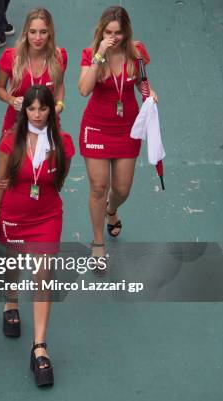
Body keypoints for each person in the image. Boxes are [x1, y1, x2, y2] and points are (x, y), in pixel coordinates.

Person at [0, 85, 75, 387]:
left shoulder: (63, 143)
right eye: (31, 109)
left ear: (52, 110)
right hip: (14, 214)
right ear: (24, 111)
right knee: (13, 266)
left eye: (42, 108)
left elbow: (59, 178)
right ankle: (11, 303)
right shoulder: (10, 142)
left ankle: (39, 346)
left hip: (47, 216)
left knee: (43, 275)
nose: (36, 114)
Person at [77, 6, 157, 259]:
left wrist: (150, 93)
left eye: (118, 33)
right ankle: (98, 241)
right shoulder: (91, 53)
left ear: (127, 32)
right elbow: (83, 89)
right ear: (101, 32)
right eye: (108, 32)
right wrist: (100, 53)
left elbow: (143, 82)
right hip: (97, 128)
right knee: (99, 186)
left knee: (122, 189)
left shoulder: (137, 52)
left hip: (127, 129)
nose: (113, 37)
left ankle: (111, 209)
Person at [0, 7, 67, 136]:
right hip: (17, 121)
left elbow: (59, 84)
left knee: (55, 156)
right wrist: (11, 100)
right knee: (8, 156)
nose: (37, 38)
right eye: (33, 32)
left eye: (43, 32)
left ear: (50, 33)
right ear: (26, 33)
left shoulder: (59, 56)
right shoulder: (10, 56)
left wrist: (60, 105)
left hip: (48, 122)